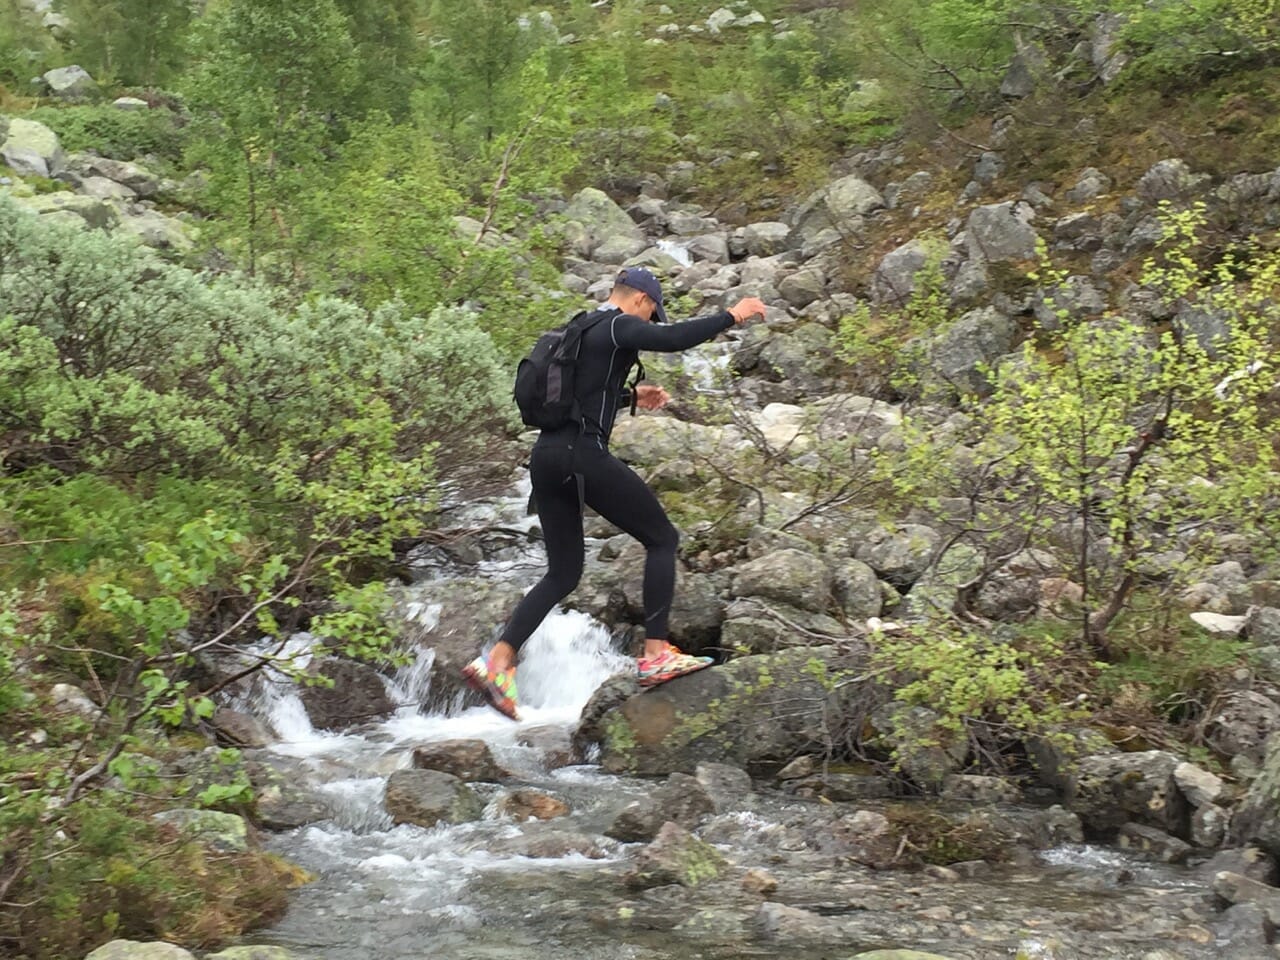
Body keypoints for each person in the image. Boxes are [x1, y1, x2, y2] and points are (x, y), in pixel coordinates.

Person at [463, 266, 766, 720]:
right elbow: (675, 339)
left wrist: (630, 398)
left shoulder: (579, 327)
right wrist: (733, 316)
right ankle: (657, 652)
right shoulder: (620, 324)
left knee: (563, 574)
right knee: (662, 539)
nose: (648, 323)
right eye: (650, 314)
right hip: (580, 456)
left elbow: (577, 395)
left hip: (546, 458)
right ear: (641, 300)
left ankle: (499, 661)